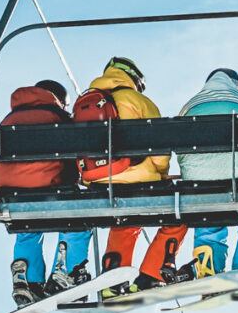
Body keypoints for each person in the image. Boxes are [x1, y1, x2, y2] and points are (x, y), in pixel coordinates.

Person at [77, 57, 180, 290]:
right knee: (179, 216)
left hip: (98, 181)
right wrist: (162, 174)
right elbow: (159, 147)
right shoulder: (137, 100)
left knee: (125, 222)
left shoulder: (84, 102)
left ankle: (113, 279)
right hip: (138, 177)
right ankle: (152, 274)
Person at [0, 78, 89, 304]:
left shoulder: (8, 120)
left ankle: (27, 279)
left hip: (13, 193)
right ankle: (67, 272)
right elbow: (77, 154)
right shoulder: (59, 117)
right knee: (77, 223)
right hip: (52, 187)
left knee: (28, 228)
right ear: (60, 101)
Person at [171, 66, 238, 278]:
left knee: (208, 221)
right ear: (236, 83)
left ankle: (208, 267)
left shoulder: (191, 105)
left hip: (199, 180)